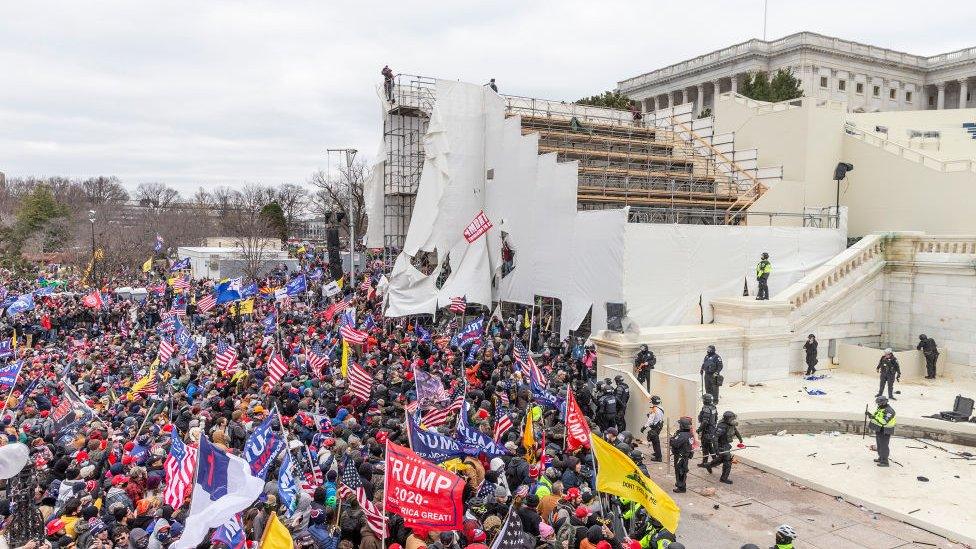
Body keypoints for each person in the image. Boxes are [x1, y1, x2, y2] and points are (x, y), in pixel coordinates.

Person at [704, 411, 744, 484]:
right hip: (721, 446)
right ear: (728, 419)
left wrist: (740, 438)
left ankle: (708, 465)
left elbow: (735, 430)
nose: (733, 420)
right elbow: (715, 438)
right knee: (728, 462)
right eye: (732, 419)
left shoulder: (731, 424)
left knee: (721, 459)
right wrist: (716, 450)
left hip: (726, 445)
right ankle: (723, 478)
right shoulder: (722, 427)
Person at [867, 395, 896, 466]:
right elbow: (877, 416)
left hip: (885, 430)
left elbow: (884, 421)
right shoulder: (880, 408)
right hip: (879, 429)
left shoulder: (890, 411)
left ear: (883, 403)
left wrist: (874, 417)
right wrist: (870, 415)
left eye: (879, 403)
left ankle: (885, 462)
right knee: (879, 444)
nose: (878, 404)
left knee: (884, 445)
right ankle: (881, 458)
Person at [668, 417, 694, 493]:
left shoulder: (682, 435)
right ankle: (682, 485)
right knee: (682, 470)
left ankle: (681, 487)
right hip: (685, 455)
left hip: (680, 455)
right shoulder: (689, 434)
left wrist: (672, 438)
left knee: (680, 471)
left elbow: (674, 443)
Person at [696, 394, 718, 468]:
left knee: (705, 448)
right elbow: (715, 418)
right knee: (710, 447)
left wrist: (699, 429)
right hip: (712, 430)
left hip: (707, 431)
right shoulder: (713, 407)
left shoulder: (706, 409)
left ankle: (705, 463)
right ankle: (715, 461)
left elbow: (705, 422)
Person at [641, 396, 664, 462]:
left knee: (655, 442)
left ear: (653, 402)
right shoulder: (661, 407)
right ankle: (656, 453)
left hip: (655, 427)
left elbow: (650, 420)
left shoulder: (654, 410)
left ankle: (658, 457)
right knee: (655, 440)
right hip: (659, 425)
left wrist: (644, 427)